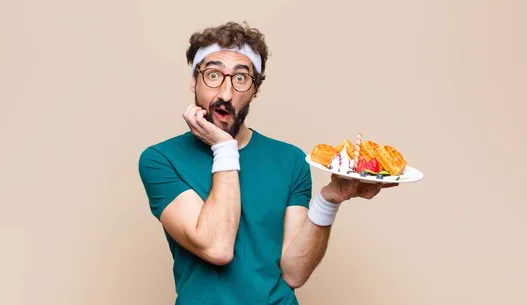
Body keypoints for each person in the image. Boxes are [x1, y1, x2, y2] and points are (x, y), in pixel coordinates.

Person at [138, 21, 397, 305]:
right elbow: (217, 247)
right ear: (193, 80)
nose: (225, 93)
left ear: (255, 88)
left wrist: (329, 200)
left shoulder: (290, 159)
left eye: (240, 78)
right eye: (213, 75)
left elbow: (293, 273)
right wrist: (225, 148)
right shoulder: (160, 160)